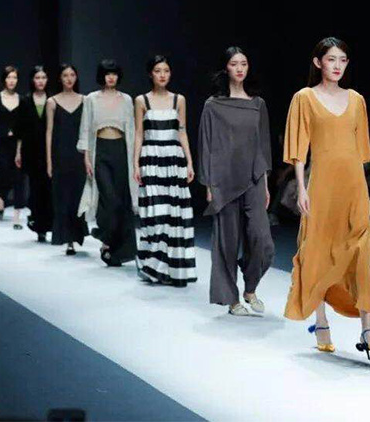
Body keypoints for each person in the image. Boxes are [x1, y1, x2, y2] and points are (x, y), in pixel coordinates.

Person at [283, 37, 370, 358]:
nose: (337, 65)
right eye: (331, 59)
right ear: (318, 63)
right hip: (321, 187)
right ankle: (321, 322)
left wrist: (365, 191)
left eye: (342, 60)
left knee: (360, 253)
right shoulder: (305, 98)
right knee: (317, 250)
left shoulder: (357, 100)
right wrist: (301, 188)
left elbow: (361, 152)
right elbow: (298, 150)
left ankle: (368, 329)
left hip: (354, 187)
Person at [198, 46, 274, 315]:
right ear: (225, 68)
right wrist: (209, 185)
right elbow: (206, 144)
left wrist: (265, 183)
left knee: (262, 240)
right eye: (234, 64)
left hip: (254, 177)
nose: (240, 68)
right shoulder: (213, 105)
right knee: (226, 243)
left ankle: (250, 288)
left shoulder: (257, 104)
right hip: (224, 179)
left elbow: (263, 145)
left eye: (244, 63)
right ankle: (231, 300)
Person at [133, 55, 197, 287]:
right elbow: (139, 133)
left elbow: (182, 131)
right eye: (158, 70)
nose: (162, 75)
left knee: (173, 216)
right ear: (151, 74)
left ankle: (171, 270)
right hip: (151, 160)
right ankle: (153, 266)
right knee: (155, 215)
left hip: (174, 160)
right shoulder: (141, 100)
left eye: (166, 71)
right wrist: (136, 163)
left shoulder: (179, 100)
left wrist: (189, 162)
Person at [77, 59, 137, 266]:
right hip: (100, 151)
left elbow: (131, 130)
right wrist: (86, 156)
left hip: (120, 151)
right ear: (101, 76)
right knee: (109, 198)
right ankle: (104, 235)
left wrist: (134, 160)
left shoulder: (126, 100)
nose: (111, 77)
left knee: (121, 201)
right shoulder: (91, 99)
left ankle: (113, 247)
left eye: (114, 73)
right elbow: (85, 127)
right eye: (107, 73)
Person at [46, 64, 88, 255]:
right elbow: (49, 132)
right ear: (60, 78)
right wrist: (49, 161)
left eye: (72, 75)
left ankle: (75, 236)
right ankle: (67, 239)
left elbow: (86, 131)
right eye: (65, 75)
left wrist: (88, 157)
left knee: (77, 197)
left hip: (79, 155)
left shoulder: (85, 100)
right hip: (60, 155)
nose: (69, 78)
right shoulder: (52, 102)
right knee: (62, 197)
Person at [0, 65, 25, 226]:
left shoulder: (22, 99)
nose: (12, 80)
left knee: (18, 177)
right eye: (9, 77)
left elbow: (23, 125)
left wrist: (21, 147)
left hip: (17, 143)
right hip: (1, 143)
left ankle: (16, 216)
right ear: (4, 79)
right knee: (1, 175)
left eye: (14, 77)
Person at [17, 65, 52, 242]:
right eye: (37, 78)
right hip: (31, 151)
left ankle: (47, 223)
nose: (40, 81)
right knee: (35, 188)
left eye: (43, 77)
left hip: (48, 151)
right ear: (32, 80)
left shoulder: (52, 100)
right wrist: (18, 152)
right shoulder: (25, 100)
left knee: (48, 187)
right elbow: (21, 129)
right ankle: (39, 225)